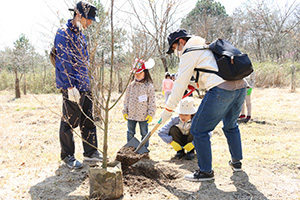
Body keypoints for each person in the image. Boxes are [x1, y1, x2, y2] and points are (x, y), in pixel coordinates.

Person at [160, 28, 247, 181]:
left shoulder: (189, 52)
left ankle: (205, 171)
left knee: (198, 130)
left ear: (181, 41)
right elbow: (204, 74)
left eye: (174, 48)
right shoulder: (205, 46)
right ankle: (236, 162)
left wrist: (167, 110)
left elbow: (179, 86)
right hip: (240, 87)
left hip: (221, 90)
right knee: (231, 125)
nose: (175, 52)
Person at [54, 1, 102, 169]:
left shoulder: (81, 36)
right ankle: (67, 155)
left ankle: (91, 152)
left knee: (88, 119)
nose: (89, 24)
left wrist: (88, 84)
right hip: (72, 86)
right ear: (78, 16)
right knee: (69, 121)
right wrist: (69, 86)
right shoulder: (64, 33)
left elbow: (85, 62)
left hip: (85, 85)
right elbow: (63, 61)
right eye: (88, 20)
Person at [123, 58, 156, 148]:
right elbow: (126, 99)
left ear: (145, 72)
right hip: (131, 114)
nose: (137, 75)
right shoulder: (131, 86)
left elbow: (152, 101)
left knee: (144, 133)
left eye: (140, 73)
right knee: (130, 132)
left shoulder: (149, 86)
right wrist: (125, 111)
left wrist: (151, 113)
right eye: (136, 73)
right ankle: (130, 148)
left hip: (143, 115)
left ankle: (144, 149)